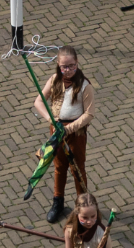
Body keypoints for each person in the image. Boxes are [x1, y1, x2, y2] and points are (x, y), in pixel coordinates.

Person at [34, 46, 93, 223]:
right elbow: (38, 101)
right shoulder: (54, 80)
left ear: (77, 63)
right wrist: (51, 120)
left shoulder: (85, 86)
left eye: (71, 66)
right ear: (58, 65)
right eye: (64, 67)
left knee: (77, 169)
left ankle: (82, 207)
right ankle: (57, 202)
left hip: (75, 134)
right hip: (57, 131)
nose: (68, 70)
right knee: (59, 167)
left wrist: (69, 129)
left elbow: (89, 114)